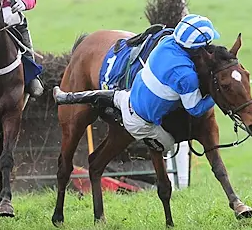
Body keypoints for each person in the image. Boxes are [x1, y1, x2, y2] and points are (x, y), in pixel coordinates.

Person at [57, 14, 220, 153]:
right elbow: (195, 108)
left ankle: (64, 97)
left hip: (124, 98)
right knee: (167, 146)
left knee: (104, 96)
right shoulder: (184, 75)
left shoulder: (165, 45)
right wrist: (215, 93)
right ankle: (65, 97)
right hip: (137, 121)